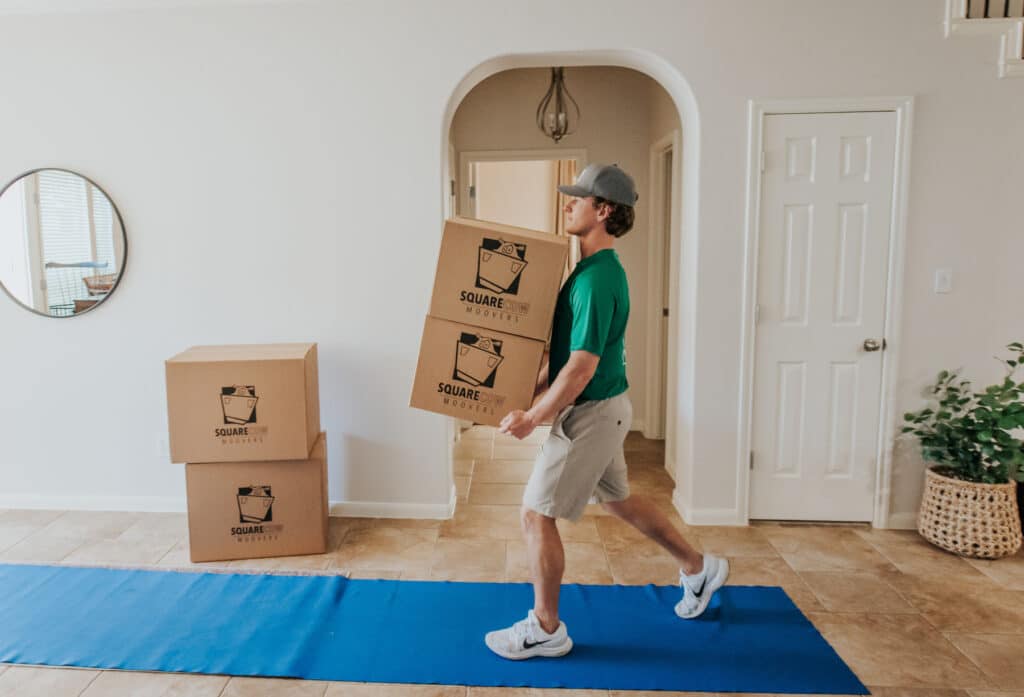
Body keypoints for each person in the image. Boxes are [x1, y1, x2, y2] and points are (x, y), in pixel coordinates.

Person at [484, 163, 729, 660]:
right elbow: (565, 357)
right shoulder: (590, 271)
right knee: (617, 500)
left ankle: (546, 628)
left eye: (577, 198)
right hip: (605, 408)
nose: (567, 204)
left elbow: (579, 367)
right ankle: (697, 567)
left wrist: (534, 418)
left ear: (605, 210)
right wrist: (525, 392)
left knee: (535, 514)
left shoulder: (598, 279)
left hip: (593, 414)